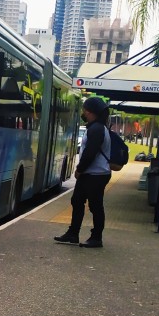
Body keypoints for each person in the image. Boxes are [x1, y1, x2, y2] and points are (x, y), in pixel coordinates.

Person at [54, 96, 112, 248]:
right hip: (91, 174)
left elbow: (90, 152)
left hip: (96, 174)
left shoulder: (97, 129)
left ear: (91, 111)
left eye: (85, 109)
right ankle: (73, 233)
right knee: (77, 201)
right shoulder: (95, 127)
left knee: (95, 205)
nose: (83, 112)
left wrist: (79, 169)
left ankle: (96, 237)